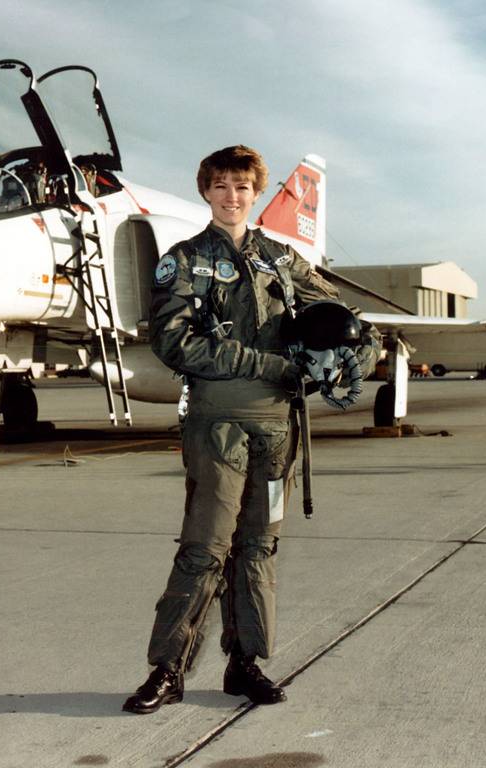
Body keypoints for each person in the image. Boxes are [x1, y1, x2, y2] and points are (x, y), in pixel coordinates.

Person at [123, 145, 342, 715]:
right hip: (219, 427)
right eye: (220, 185)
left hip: (275, 431)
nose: (232, 195)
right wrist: (267, 365)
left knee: (259, 547)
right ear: (206, 191)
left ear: (255, 193)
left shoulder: (280, 259)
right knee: (204, 547)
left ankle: (245, 664)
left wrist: (350, 355)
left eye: (242, 186)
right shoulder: (184, 260)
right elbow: (173, 342)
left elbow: (336, 315)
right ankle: (168, 670)